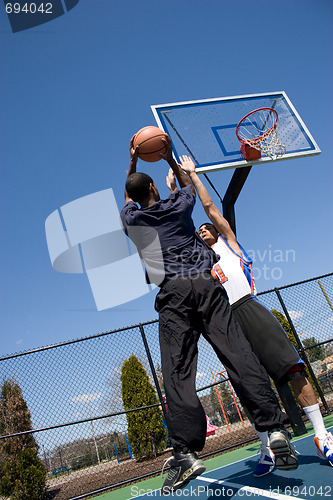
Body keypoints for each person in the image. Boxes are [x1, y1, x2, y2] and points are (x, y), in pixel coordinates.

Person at [120, 137, 298, 494]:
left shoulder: (133, 219)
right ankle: (274, 426)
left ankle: (185, 452)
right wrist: (170, 158)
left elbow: (127, 197)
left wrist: (133, 163)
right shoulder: (179, 205)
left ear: (135, 196)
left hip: (172, 294)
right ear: (155, 186)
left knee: (178, 371)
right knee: (237, 351)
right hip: (205, 284)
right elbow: (187, 185)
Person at [175, 154, 333, 476]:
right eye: (200, 232)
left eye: (208, 229)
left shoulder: (231, 245)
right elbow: (184, 221)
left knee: (291, 369)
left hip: (248, 308)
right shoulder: (198, 261)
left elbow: (209, 210)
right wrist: (180, 188)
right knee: (247, 387)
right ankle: (266, 445)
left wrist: (192, 175)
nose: (204, 231)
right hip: (224, 322)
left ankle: (322, 434)